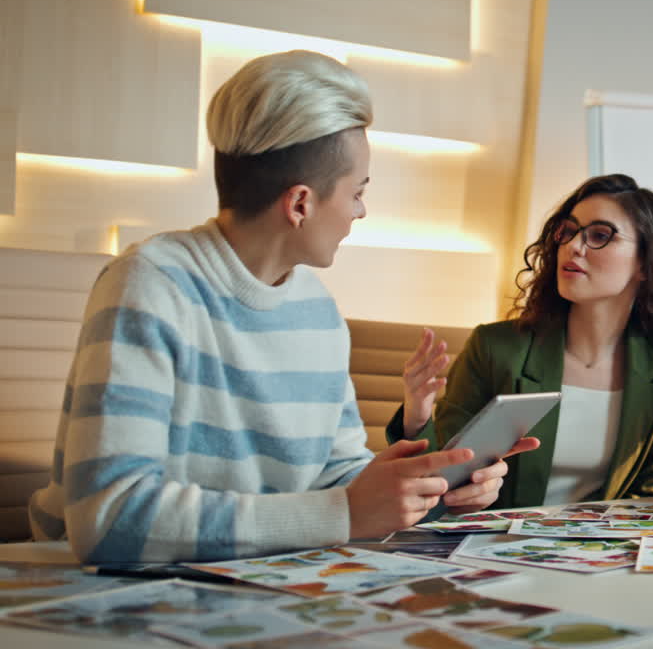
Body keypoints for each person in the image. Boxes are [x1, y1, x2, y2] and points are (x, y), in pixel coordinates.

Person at [28, 50, 534, 564]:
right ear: (300, 204)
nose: (361, 211)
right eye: (357, 192)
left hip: (249, 581)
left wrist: (434, 490)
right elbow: (109, 519)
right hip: (91, 593)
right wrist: (344, 512)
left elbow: (334, 478)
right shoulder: (151, 284)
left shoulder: (319, 312)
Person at [386, 174, 653, 508]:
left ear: (645, 262)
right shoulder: (495, 348)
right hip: (489, 545)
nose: (573, 246)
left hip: (598, 551)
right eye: (568, 232)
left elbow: (651, 494)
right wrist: (417, 420)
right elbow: (444, 475)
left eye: (600, 235)